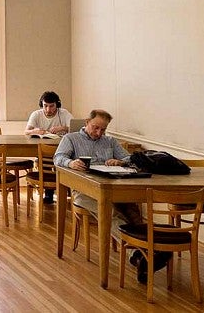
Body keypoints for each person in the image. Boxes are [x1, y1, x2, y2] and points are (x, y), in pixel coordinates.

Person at [54, 110, 164, 283]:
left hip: (111, 187)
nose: (99, 133)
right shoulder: (71, 139)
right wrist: (71, 162)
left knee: (132, 211)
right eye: (95, 128)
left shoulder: (110, 141)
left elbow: (128, 157)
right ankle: (138, 254)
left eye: (103, 130)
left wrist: (121, 162)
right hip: (83, 191)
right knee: (110, 212)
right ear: (87, 122)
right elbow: (58, 158)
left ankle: (147, 253)